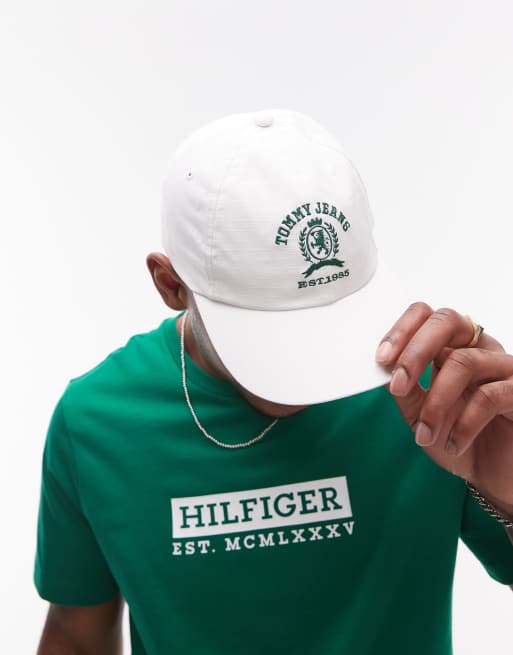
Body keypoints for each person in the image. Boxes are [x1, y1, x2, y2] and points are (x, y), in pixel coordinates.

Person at [34, 109, 513, 655]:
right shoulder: (97, 422)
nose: (311, 371)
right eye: (268, 332)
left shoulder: (432, 392)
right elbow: (75, 635)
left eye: (334, 319)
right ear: (170, 284)